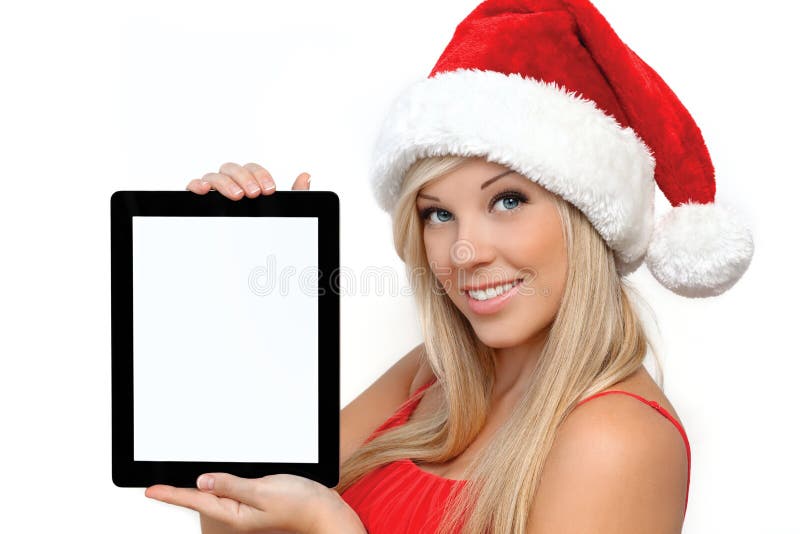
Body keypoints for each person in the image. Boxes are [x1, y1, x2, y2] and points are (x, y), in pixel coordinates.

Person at [145, 1, 755, 533]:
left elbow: (310, 519)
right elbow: (252, 510)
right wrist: (240, 282)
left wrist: (332, 525)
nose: (465, 252)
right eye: (438, 214)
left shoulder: (616, 441)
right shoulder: (435, 376)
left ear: (588, 217)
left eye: (508, 201)